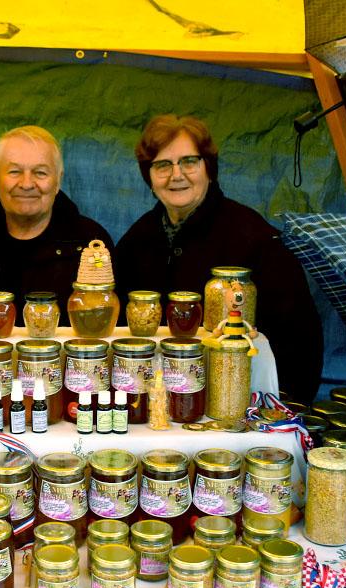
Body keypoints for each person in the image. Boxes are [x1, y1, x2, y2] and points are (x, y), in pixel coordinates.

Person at [115, 114, 323, 403]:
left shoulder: (256, 239)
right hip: (152, 401)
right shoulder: (137, 239)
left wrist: (278, 412)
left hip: (236, 405)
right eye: (162, 165)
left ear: (209, 169)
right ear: (149, 177)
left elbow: (299, 344)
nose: (177, 175)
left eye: (189, 161)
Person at [0, 125, 114, 325]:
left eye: (40, 173)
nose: (26, 184)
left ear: (58, 180)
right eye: (14, 171)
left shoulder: (92, 244)